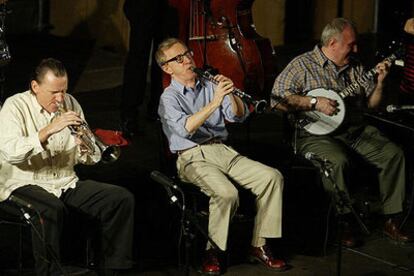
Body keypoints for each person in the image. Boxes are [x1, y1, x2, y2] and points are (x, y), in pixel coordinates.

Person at [272, 18, 412, 247]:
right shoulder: (302, 65)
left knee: (392, 153)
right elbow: (276, 100)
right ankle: (343, 221)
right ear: (333, 43)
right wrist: (314, 102)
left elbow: (372, 105)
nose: (356, 49)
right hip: (314, 134)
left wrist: (379, 84)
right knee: (336, 161)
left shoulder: (355, 66)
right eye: (351, 44)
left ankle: (392, 218)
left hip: (351, 129)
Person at [156, 38, 288, 274]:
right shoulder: (168, 98)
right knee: (226, 193)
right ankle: (213, 251)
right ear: (167, 68)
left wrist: (230, 93)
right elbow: (186, 128)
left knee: (272, 177)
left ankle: (260, 244)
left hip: (222, 150)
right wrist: (215, 101)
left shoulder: (209, 84)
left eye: (187, 54)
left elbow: (237, 116)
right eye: (179, 58)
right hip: (191, 156)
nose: (187, 60)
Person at [0, 58, 135, 276]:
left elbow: (89, 160)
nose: (61, 98)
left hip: (63, 182)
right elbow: (11, 152)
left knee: (120, 199)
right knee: (50, 208)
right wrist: (48, 131)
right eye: (54, 92)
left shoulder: (70, 103)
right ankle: (49, 271)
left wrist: (84, 147)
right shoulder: (14, 106)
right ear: (35, 87)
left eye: (64, 90)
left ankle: (113, 269)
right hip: (22, 182)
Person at [120, 0, 175, 138]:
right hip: (143, 5)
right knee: (138, 59)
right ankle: (129, 115)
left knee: (164, 58)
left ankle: (157, 108)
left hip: (168, 5)